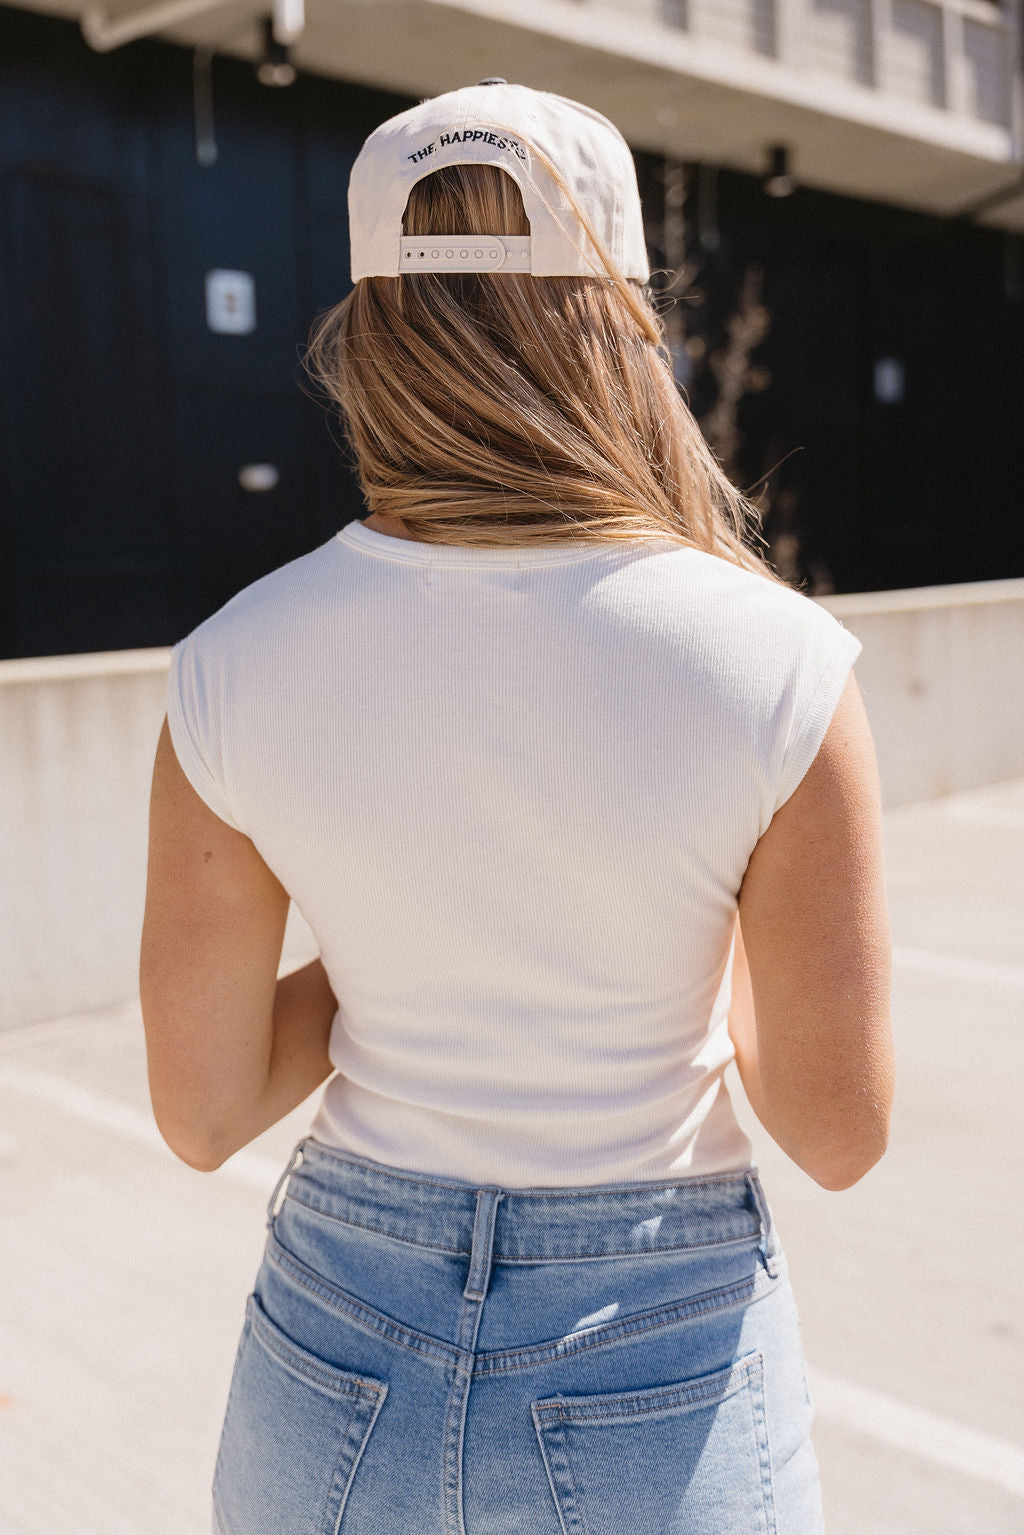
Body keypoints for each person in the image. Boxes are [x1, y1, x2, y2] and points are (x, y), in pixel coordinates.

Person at [140, 80, 894, 1535]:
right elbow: (836, 1126)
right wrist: (668, 922)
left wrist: (402, 955)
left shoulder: (231, 663)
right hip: (656, 1347)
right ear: (620, 318)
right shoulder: (779, 666)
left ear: (368, 329)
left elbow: (204, 1106)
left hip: (335, 1339)